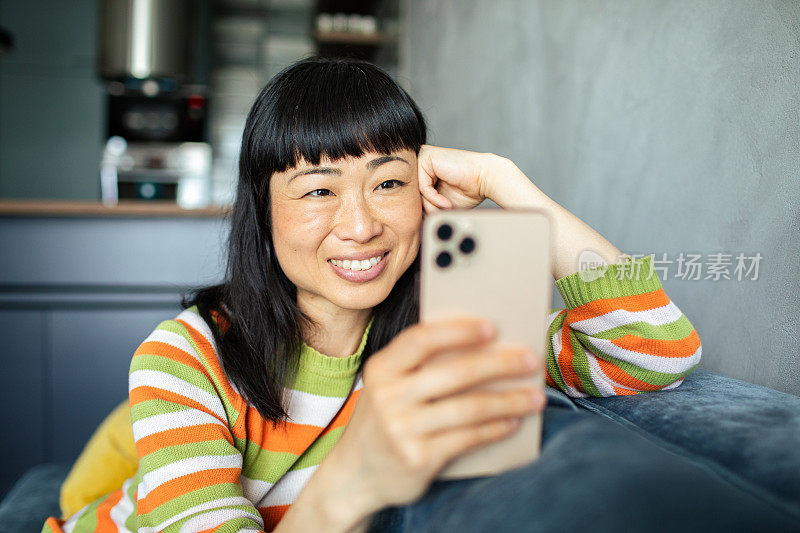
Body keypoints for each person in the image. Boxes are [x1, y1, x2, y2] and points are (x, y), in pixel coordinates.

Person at [42, 56, 782, 533]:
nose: (361, 224)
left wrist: (506, 184)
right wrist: (354, 477)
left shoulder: (450, 327)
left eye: (389, 182)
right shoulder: (185, 354)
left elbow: (654, 353)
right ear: (262, 213)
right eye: (318, 188)